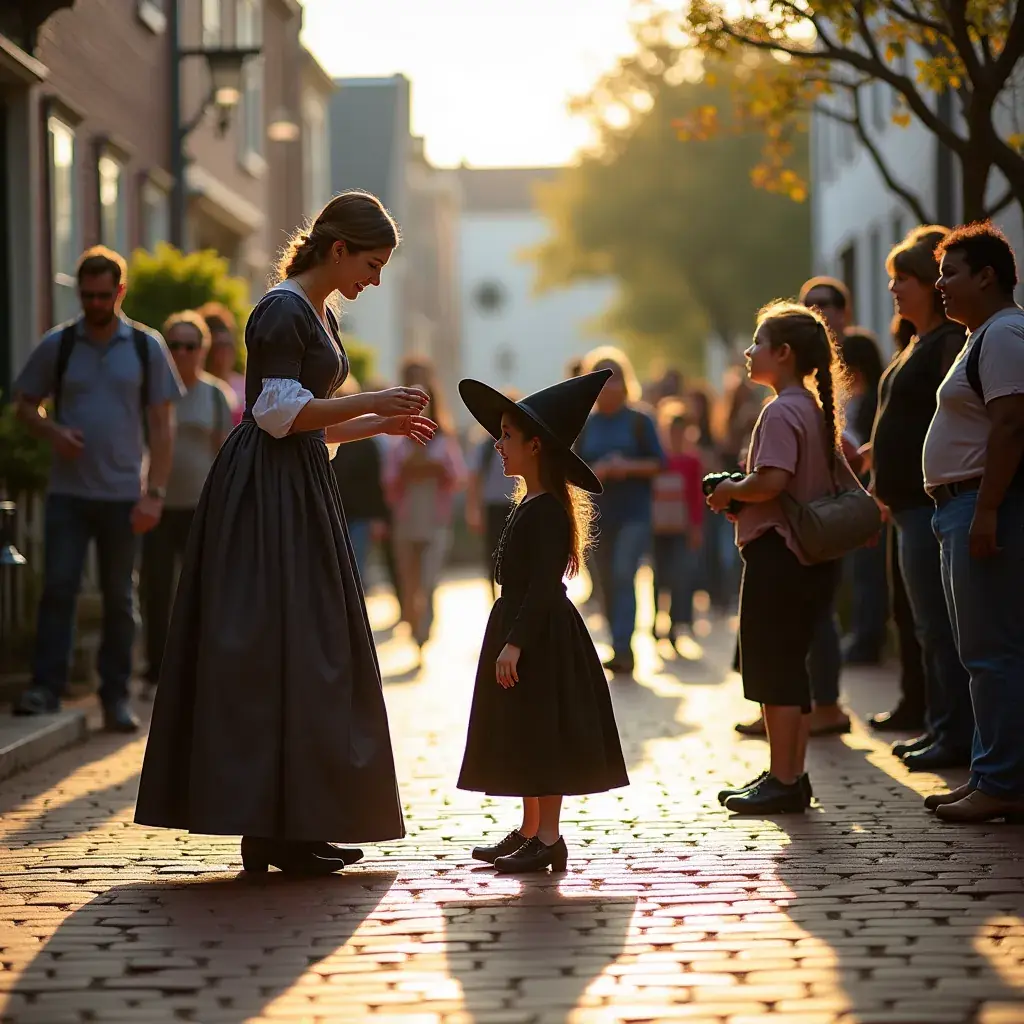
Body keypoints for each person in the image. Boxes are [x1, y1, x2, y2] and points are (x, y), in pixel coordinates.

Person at [135, 190, 437, 874]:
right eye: (372, 262)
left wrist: (377, 423)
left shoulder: (316, 312)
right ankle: (272, 828)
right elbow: (274, 413)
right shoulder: (281, 308)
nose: (375, 278)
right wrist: (372, 400)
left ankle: (294, 824)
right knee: (278, 651)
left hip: (295, 488)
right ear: (338, 249)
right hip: (265, 499)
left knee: (305, 652)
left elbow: (309, 423)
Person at [457, 370, 629, 873]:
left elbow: (543, 586)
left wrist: (516, 643)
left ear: (536, 446)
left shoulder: (550, 509)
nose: (498, 445)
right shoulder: (529, 501)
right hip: (519, 624)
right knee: (524, 731)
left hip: (540, 632)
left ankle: (549, 836)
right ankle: (530, 829)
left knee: (544, 734)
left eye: (508, 436)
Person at [11, 246, 183, 730]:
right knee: (58, 588)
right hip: (69, 493)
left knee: (118, 597)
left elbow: (163, 428)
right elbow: (24, 406)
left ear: (120, 292)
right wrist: (52, 432)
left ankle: (115, 698)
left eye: (103, 295)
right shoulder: (59, 345)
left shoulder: (147, 348)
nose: (94, 304)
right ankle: (46, 688)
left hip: (124, 495)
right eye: (86, 295)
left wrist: (155, 493)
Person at [708, 302, 852, 814]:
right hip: (809, 555)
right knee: (791, 665)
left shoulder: (780, 410)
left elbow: (772, 481)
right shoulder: (812, 407)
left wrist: (729, 491)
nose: (749, 353)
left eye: (757, 343)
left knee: (774, 667)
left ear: (784, 354)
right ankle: (786, 773)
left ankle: (785, 778)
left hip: (780, 553)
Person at [922, 221, 1024, 823]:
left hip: (982, 507)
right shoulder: (983, 334)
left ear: (987, 276)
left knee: (992, 652)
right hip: (961, 507)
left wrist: (985, 510)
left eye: (950, 272)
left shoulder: (1006, 333)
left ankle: (1002, 779)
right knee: (982, 650)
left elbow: (1011, 424)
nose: (941, 285)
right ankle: (993, 771)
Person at [867, 226, 972, 769]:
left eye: (902, 279)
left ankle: (953, 732)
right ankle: (941, 724)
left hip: (927, 504)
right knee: (923, 622)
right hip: (905, 505)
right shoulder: (917, 344)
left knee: (938, 623)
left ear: (930, 285)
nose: (894, 290)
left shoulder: (947, 344)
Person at [141, 310, 234, 700]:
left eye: (189, 346)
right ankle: (154, 673)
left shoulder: (215, 395)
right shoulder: (153, 391)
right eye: (174, 346)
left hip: (200, 506)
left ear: (203, 350)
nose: (181, 353)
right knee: (155, 589)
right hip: (157, 505)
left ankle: (201, 669)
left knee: (200, 590)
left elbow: (226, 453)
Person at [576, 346, 665, 675]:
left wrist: (627, 466)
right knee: (605, 582)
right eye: (602, 382)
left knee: (623, 574)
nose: (608, 389)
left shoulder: (640, 420)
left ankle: (624, 646)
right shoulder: (587, 425)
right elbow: (574, 467)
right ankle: (616, 641)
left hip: (634, 513)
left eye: (614, 381)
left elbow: (660, 463)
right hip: (598, 515)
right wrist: (597, 469)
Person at [383, 362, 466, 653]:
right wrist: (410, 469)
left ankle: (424, 630)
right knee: (410, 580)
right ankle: (414, 626)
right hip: (406, 521)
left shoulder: (445, 441)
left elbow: (458, 477)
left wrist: (434, 468)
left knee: (429, 580)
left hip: (435, 519)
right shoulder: (398, 441)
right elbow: (390, 480)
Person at [838, 328, 888, 666]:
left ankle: (868, 640)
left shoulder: (874, 401)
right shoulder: (864, 400)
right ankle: (861, 636)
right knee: (863, 572)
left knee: (871, 572)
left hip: (874, 494)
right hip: (863, 493)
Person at [650, 401, 704, 646]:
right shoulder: (658, 459)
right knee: (658, 575)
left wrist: (696, 527)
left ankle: (674, 623)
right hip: (657, 527)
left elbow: (695, 497)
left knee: (678, 575)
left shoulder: (692, 462)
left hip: (680, 528)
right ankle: (655, 618)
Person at [466, 392, 519, 599]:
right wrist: (473, 510)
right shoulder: (486, 446)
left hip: (516, 505)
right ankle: (494, 597)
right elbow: (474, 478)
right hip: (493, 506)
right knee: (493, 554)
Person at [199, 302, 244, 425]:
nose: (225, 352)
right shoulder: (198, 389)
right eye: (219, 346)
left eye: (228, 345)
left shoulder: (246, 385)